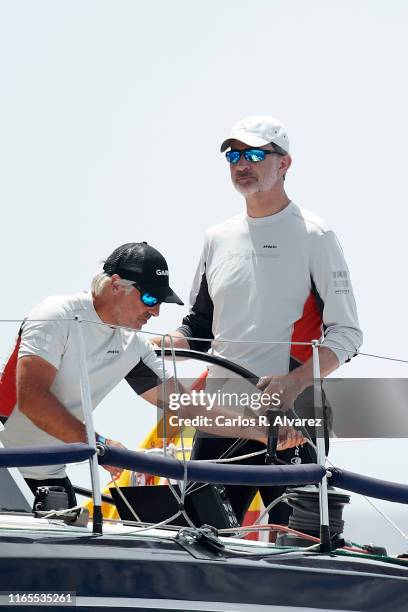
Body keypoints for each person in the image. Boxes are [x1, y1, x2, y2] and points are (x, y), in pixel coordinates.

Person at [158, 115, 363, 525]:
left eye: (254, 154)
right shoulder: (217, 237)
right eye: (234, 155)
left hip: (293, 414)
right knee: (201, 536)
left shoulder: (314, 235)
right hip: (223, 412)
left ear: (284, 163)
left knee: (299, 542)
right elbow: (200, 322)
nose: (241, 165)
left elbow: (348, 334)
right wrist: (172, 340)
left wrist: (294, 382)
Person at [0, 242, 185, 506]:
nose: (156, 311)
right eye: (149, 299)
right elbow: (33, 399)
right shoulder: (57, 314)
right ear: (116, 285)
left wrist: (260, 420)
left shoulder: (132, 344)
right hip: (4, 464)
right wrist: (100, 444)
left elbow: (188, 405)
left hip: (47, 473)